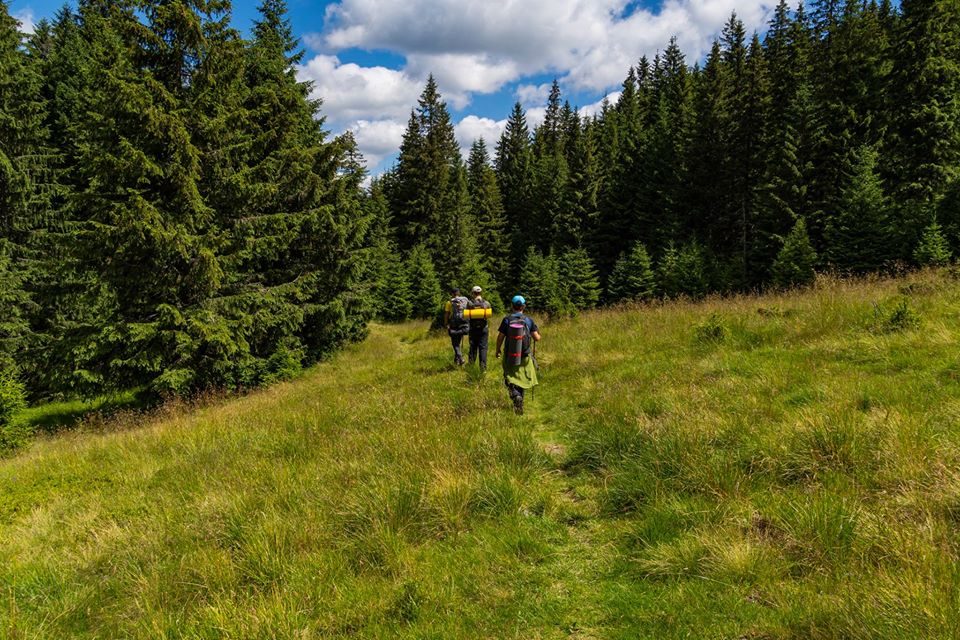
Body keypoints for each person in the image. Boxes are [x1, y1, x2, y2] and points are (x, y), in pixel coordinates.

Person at [495, 295, 541, 415]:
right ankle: (520, 401)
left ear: (512, 306)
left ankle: (515, 395)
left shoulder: (507, 320)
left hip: (510, 355)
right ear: (524, 306)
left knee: (509, 376)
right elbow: (537, 338)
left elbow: (500, 337)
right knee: (522, 378)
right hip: (525, 355)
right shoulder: (528, 320)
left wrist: (498, 350)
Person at [443, 286, 470, 366]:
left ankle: (460, 358)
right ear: (458, 293)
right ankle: (457, 361)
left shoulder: (449, 302)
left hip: (454, 323)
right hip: (463, 322)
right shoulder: (465, 300)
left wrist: (446, 323)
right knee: (458, 341)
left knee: (455, 343)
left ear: (452, 294)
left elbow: (447, 314)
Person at [467, 285, 492, 370]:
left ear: (473, 293)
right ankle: (483, 368)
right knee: (483, 348)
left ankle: (471, 366)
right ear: (481, 292)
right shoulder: (486, 303)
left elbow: (467, 315)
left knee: (473, 347)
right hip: (484, 328)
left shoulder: (470, 303)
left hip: (473, 329)